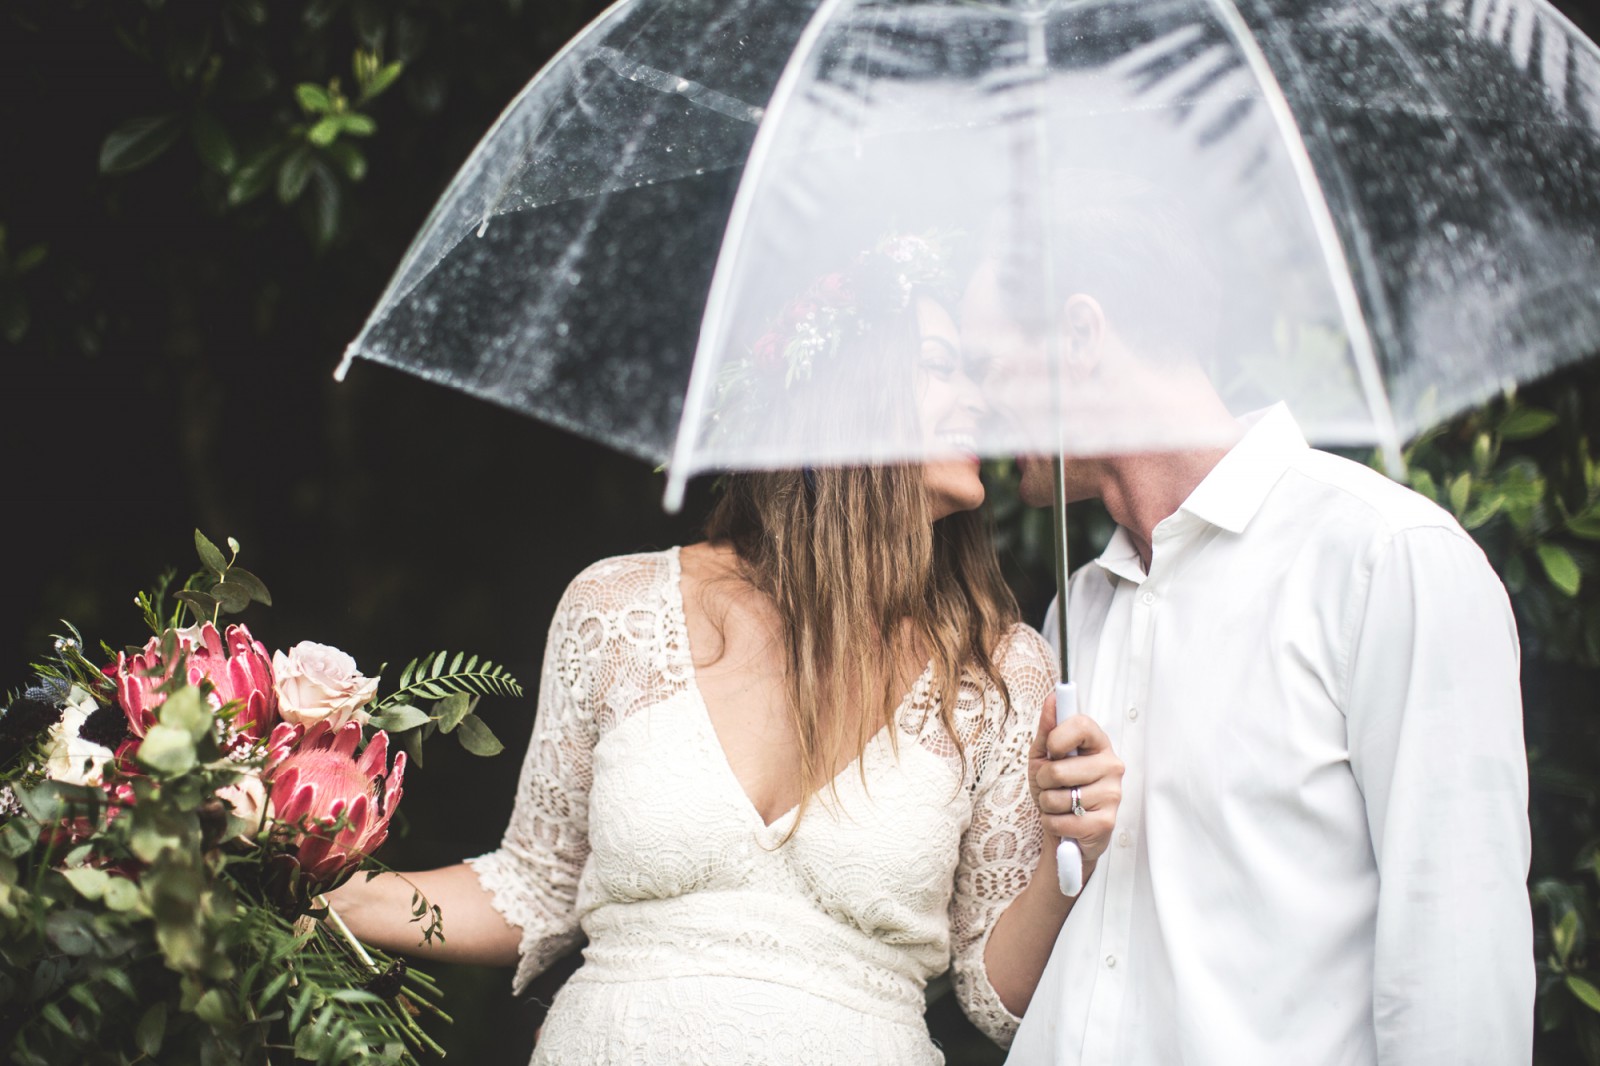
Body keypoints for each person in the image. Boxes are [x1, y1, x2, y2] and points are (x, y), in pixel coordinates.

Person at [329, 233, 1125, 1064]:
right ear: (844, 388)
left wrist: (1073, 845)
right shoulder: (617, 608)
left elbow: (997, 999)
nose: (979, 401)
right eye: (940, 365)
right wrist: (321, 884)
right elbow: (536, 887)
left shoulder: (999, 668)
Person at [961, 177, 1534, 1064]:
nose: (977, 405)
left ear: (1079, 335)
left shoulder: (1386, 560)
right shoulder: (1078, 612)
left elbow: (1455, 967)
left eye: (987, 364)